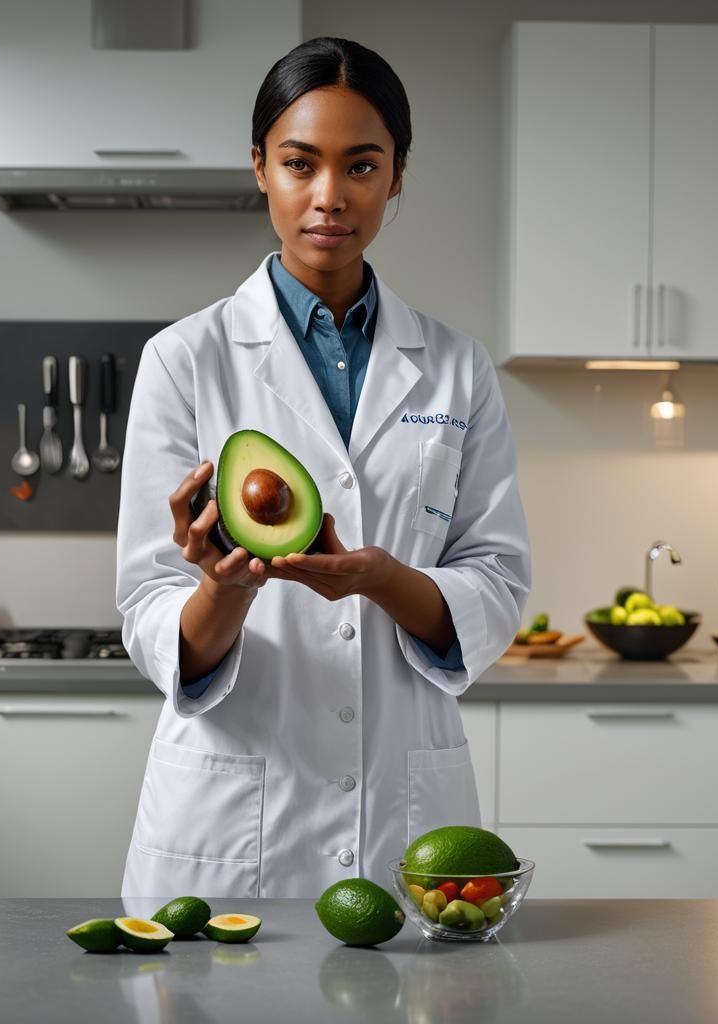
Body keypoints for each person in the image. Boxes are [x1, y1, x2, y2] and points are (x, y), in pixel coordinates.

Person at [116, 37, 531, 900]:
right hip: (232, 816)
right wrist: (225, 588)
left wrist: (383, 580)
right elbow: (152, 612)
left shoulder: (457, 367)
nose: (329, 197)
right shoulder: (185, 360)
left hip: (401, 810)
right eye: (299, 163)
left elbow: (495, 580)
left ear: (398, 175)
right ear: (260, 167)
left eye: (362, 166)